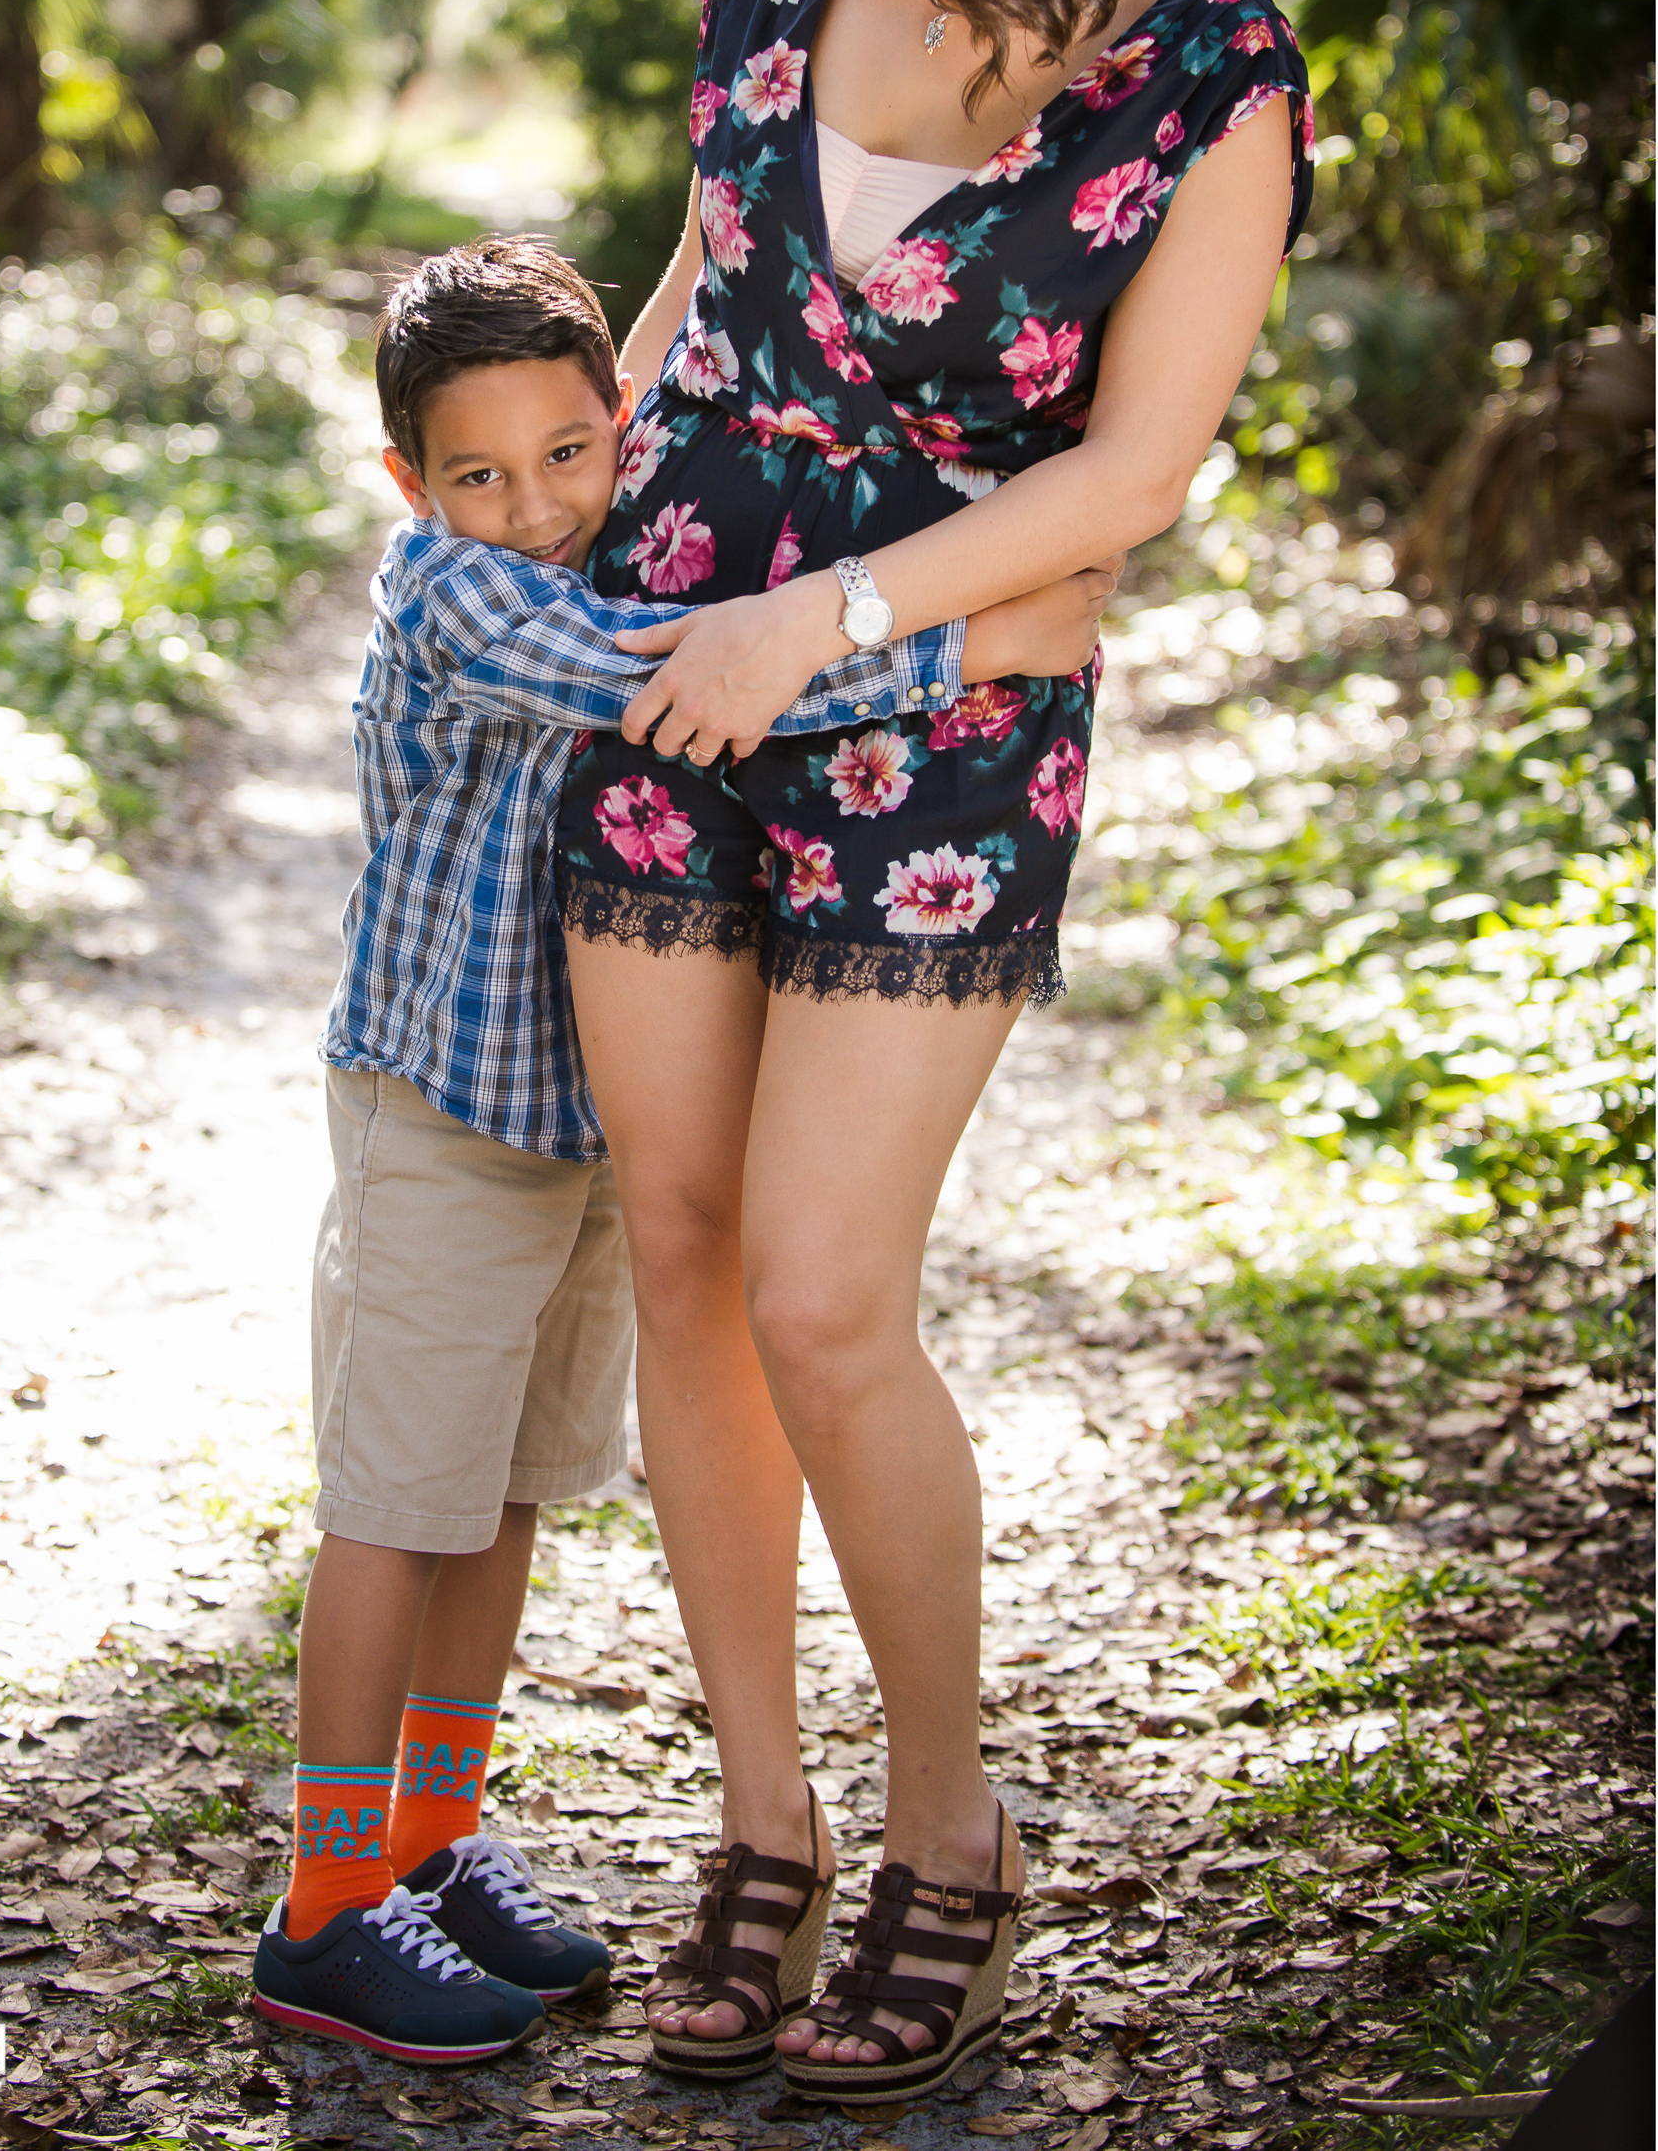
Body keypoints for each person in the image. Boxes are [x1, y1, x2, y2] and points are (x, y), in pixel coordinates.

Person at [556, 0, 1313, 2106]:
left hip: (945, 716)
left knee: (823, 1288)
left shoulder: (1207, 63)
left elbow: (1133, 475)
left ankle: (948, 1831)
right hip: (668, 674)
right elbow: (697, 282)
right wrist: (557, 534)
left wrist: (831, 615)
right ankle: (758, 1829)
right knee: (675, 1250)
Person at [260, 236, 1111, 2064]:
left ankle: (432, 1840)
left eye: (571, 453)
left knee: (500, 1498)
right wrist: (985, 639)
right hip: (438, 1115)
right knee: (393, 1504)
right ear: (412, 486)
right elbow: (698, 685)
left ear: (617, 420)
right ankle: (327, 1904)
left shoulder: (602, 503)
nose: (537, 500)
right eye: (477, 473)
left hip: (561, 1126)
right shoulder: (467, 594)